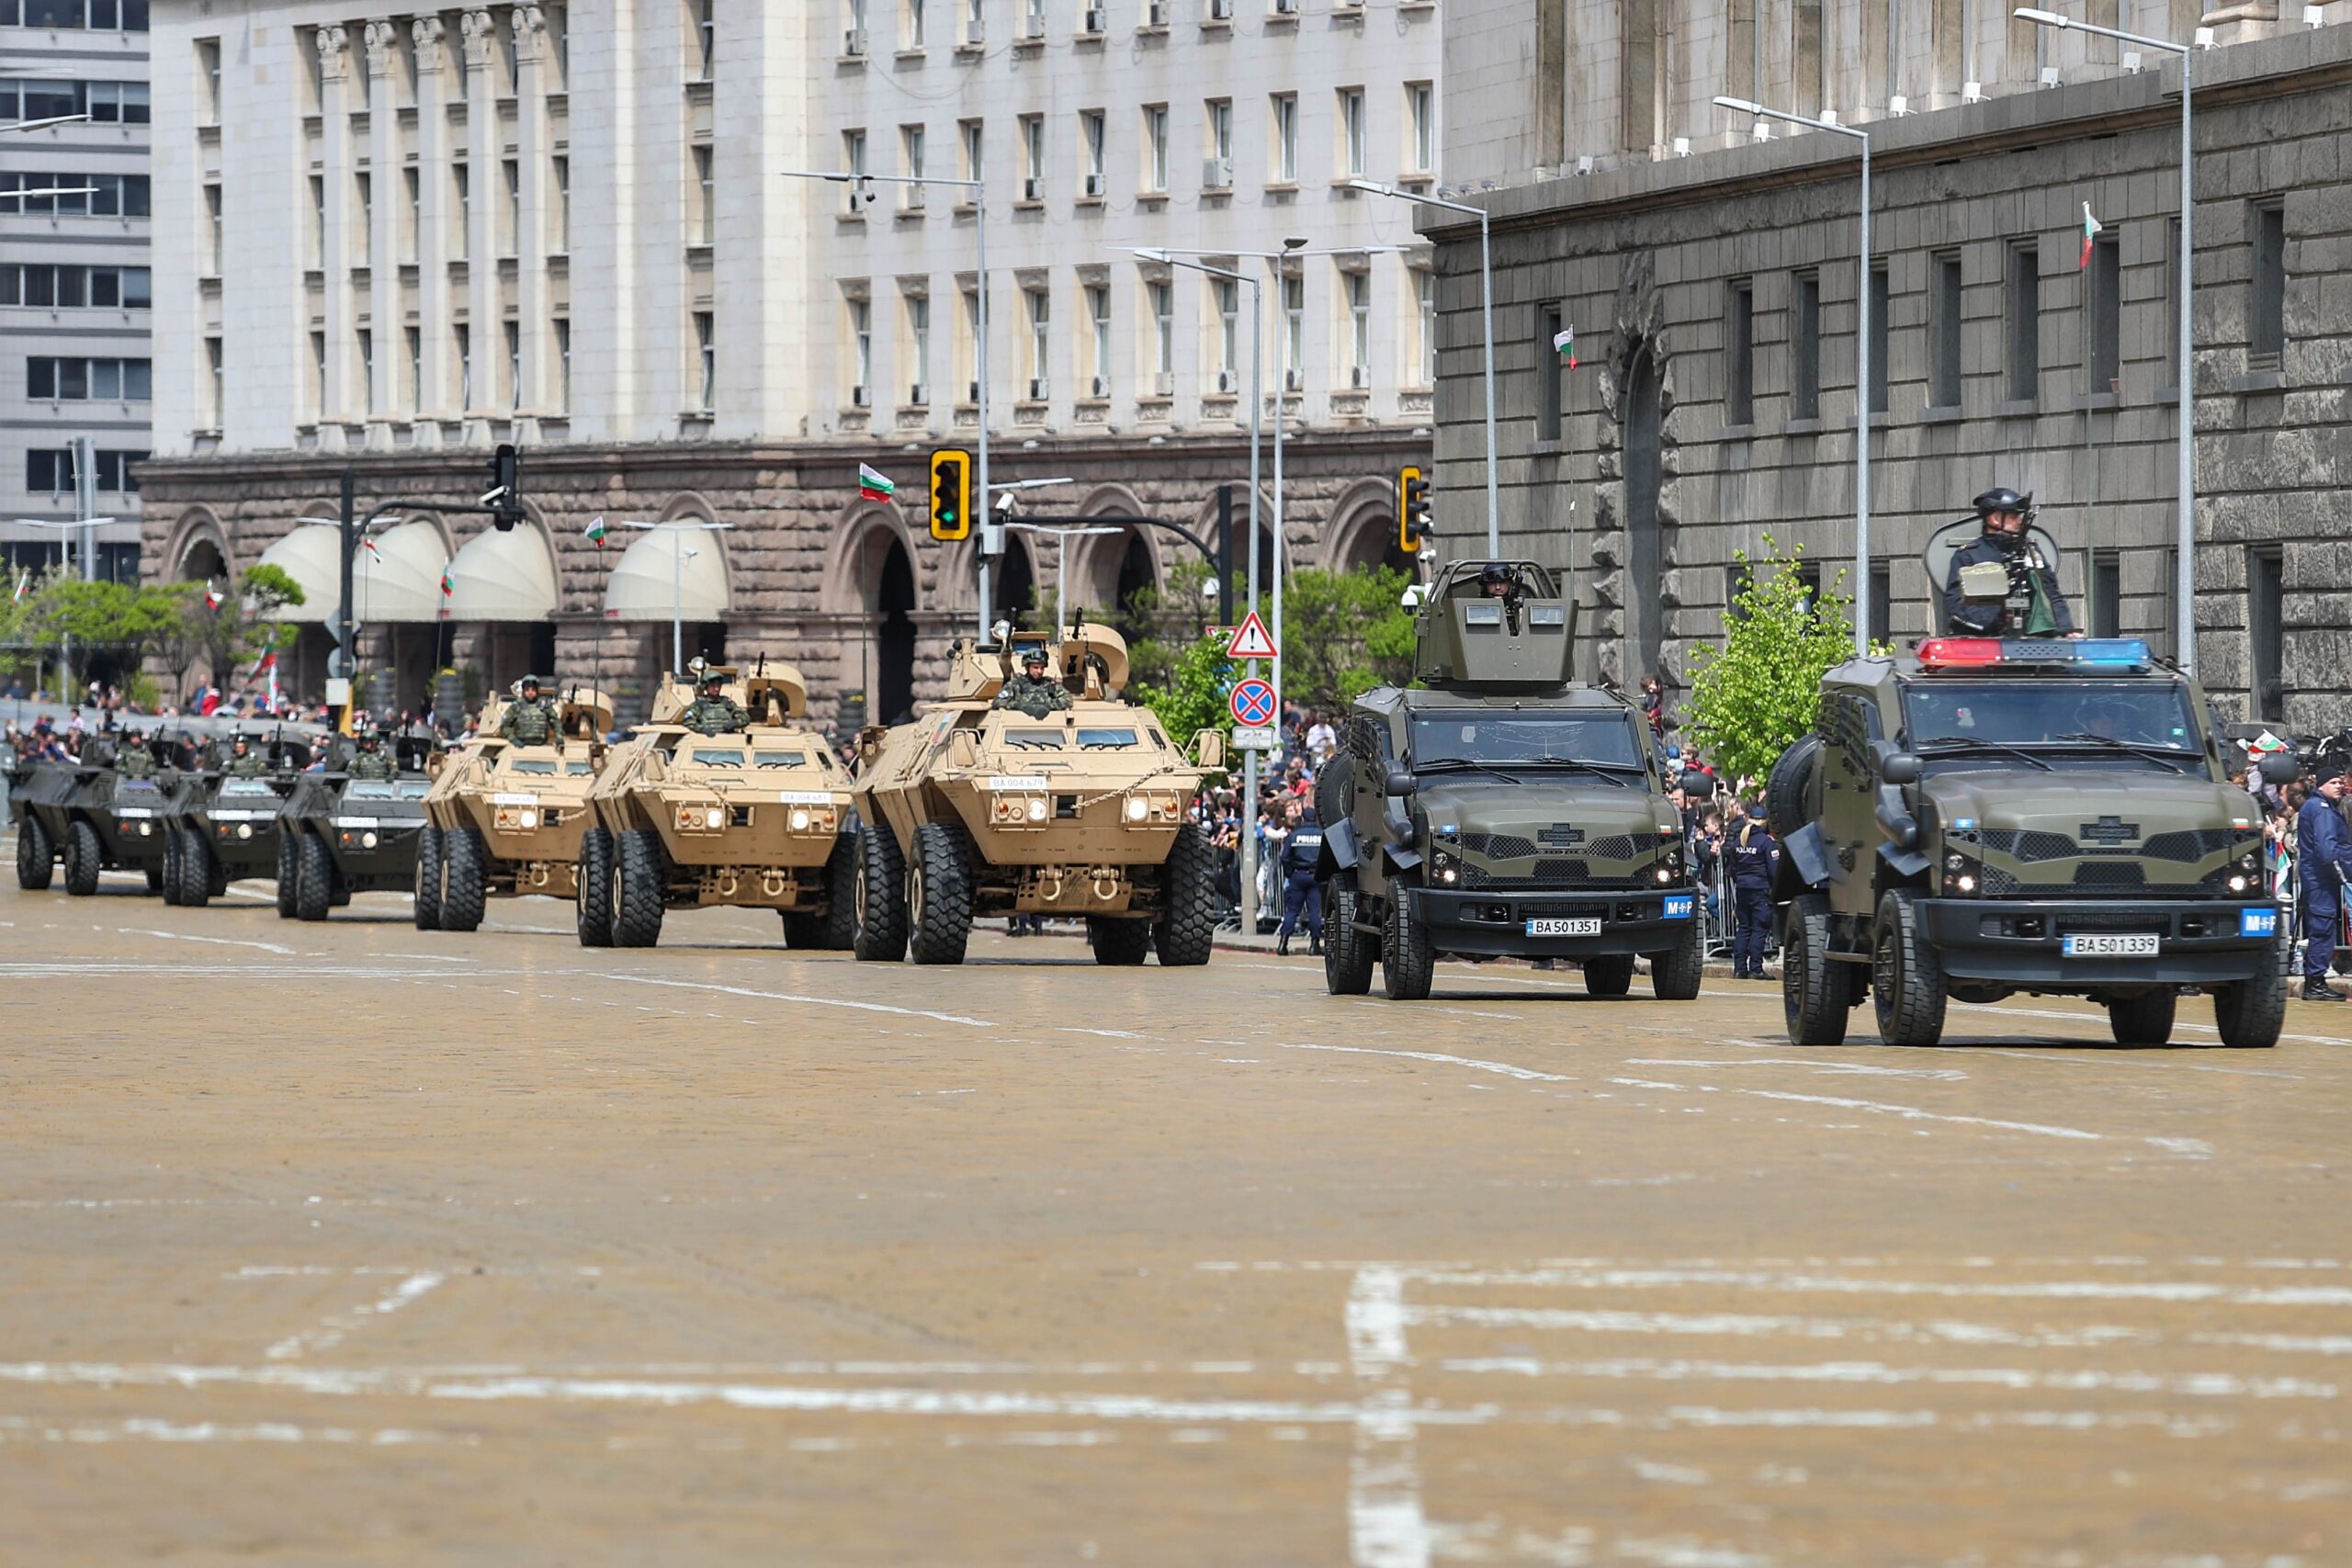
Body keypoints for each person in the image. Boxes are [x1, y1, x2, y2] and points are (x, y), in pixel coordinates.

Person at [1943, 488, 2075, 637]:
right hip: (1984, 640)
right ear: (1994, 519)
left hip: (2031, 638)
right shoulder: (1968, 556)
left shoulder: (2030, 550)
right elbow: (1956, 604)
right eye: (2013, 516)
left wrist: (2066, 629)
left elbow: (2051, 592)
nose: (2020, 521)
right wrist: (1998, 615)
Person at [2296, 770, 2352, 1001]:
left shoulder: (2317, 807)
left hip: (2318, 878)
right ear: (2321, 785)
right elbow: (2327, 849)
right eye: (2333, 782)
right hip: (2322, 879)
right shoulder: (2323, 810)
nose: (2339, 786)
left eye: (2340, 782)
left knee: (2323, 928)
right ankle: (2315, 982)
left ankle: (2315, 981)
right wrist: (2342, 875)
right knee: (2323, 929)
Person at [1726, 801, 1779, 980]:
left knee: (1744, 929)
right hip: (1760, 890)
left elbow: (1732, 870)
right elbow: (1773, 870)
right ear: (1764, 822)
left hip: (1742, 890)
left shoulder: (1738, 842)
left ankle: (1739, 968)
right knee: (1759, 929)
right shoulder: (1766, 842)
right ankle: (1755, 968)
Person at [1274, 798, 1323, 957]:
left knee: (1292, 911)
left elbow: (1285, 857)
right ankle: (1314, 946)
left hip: (1298, 875)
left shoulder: (1294, 835)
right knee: (1314, 912)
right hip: (1316, 876)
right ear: (1315, 818)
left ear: (1302, 819)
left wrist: (1290, 873)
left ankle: (1283, 944)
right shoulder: (1323, 836)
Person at [993, 647, 1073, 719]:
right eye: (1035, 667)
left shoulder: (1049, 684)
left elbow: (1068, 699)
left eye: (1042, 668)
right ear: (1027, 667)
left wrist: (1048, 706)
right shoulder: (1016, 684)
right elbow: (998, 702)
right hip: (1021, 726)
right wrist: (1020, 706)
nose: (1039, 671)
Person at [680, 669, 751, 736]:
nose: (716, 689)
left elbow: (745, 718)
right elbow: (688, 721)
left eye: (718, 686)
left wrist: (735, 723)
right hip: (705, 740)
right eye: (713, 686)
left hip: (727, 740)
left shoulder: (727, 703)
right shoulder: (699, 704)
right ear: (706, 687)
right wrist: (702, 729)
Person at [501, 674, 565, 748]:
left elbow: (556, 721)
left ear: (537, 690)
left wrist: (559, 736)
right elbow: (505, 726)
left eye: (533, 690)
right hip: (521, 746)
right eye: (527, 690)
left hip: (542, 745)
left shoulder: (544, 705)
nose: (530, 692)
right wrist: (513, 739)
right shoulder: (516, 706)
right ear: (523, 691)